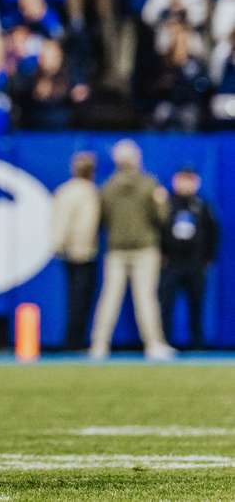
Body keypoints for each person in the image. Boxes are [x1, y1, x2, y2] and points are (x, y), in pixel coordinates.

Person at [89, 140, 173, 360]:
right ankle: (153, 344)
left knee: (109, 298)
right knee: (146, 298)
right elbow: (162, 217)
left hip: (116, 248)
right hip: (144, 248)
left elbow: (101, 220)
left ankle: (99, 345)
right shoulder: (149, 185)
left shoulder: (108, 186)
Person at [158, 166, 218, 349]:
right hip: (172, 263)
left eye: (189, 180)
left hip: (195, 263)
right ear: (176, 181)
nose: (186, 184)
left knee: (196, 304)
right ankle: (164, 342)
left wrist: (207, 258)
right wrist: (161, 253)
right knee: (166, 304)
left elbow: (213, 232)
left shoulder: (201, 204)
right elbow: (158, 229)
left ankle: (197, 343)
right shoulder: (166, 203)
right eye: (183, 179)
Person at [50, 151, 100, 350]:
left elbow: (60, 222)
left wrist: (59, 244)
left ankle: (74, 340)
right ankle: (73, 341)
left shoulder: (71, 190)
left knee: (78, 298)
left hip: (76, 250)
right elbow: (66, 223)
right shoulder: (85, 191)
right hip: (81, 251)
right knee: (79, 299)